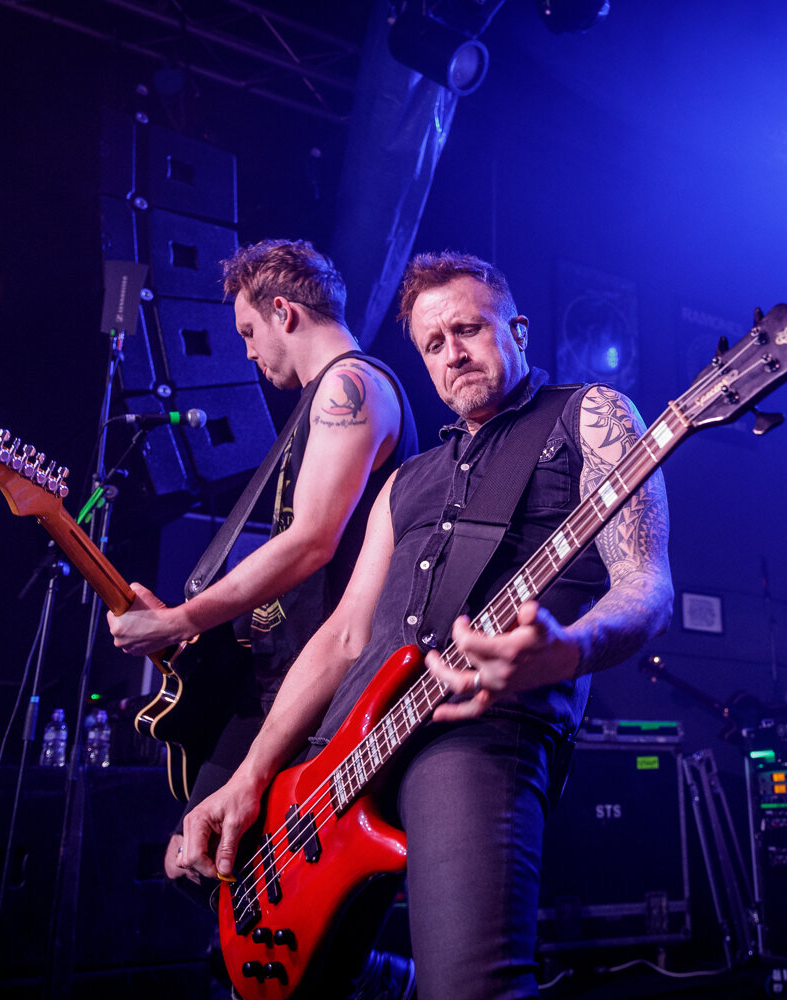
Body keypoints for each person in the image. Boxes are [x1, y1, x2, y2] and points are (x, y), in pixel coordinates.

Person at [179, 250, 674, 999]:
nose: (453, 354)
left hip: (478, 724)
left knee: (471, 988)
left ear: (519, 329)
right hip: (342, 746)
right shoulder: (407, 481)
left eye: (468, 330)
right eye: (433, 345)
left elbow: (647, 583)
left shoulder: (590, 415)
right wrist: (251, 778)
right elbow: (346, 636)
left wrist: (569, 651)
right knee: (256, 976)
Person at [105, 239, 416, 884]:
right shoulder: (319, 399)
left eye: (249, 330)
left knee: (214, 873)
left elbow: (312, 541)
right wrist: (203, 624)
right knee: (195, 868)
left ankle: (383, 985)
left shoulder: (350, 384)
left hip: (326, 687)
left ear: (284, 311)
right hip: (278, 676)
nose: (247, 350)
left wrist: (182, 616)